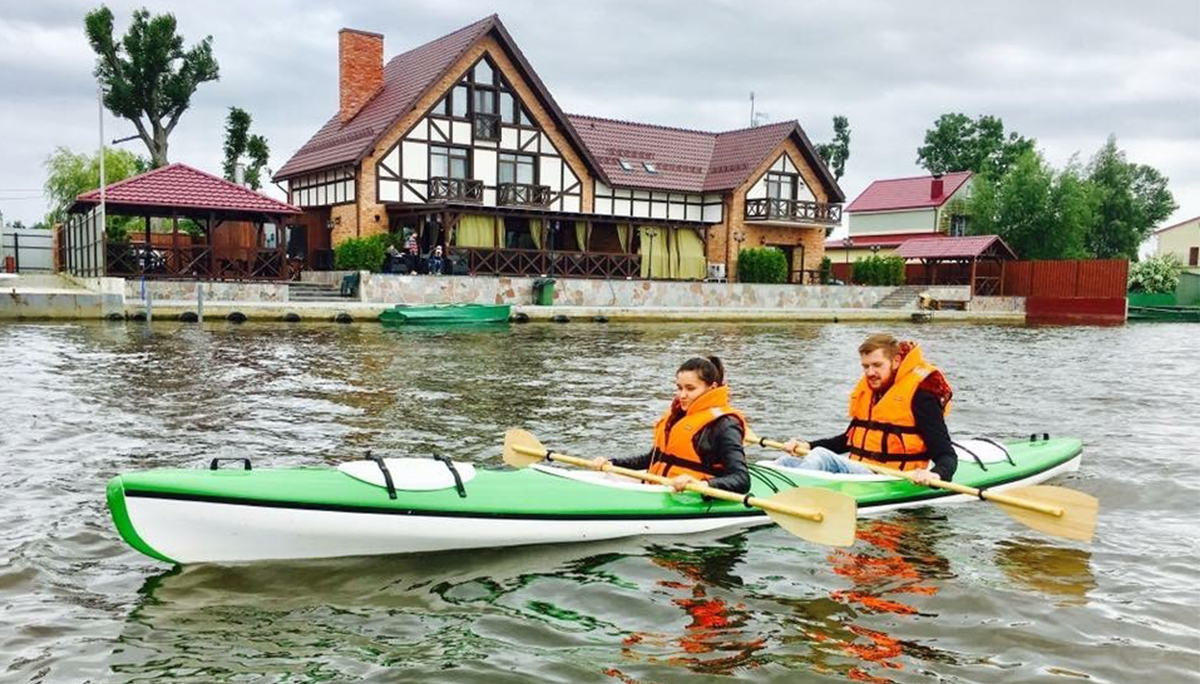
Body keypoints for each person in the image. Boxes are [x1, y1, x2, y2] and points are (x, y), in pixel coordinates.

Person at [776, 334, 955, 485]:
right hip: (860, 472)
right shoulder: (872, 391)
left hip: (890, 479)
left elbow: (946, 454)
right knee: (786, 461)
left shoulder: (922, 395)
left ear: (896, 361)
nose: (870, 373)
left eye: (877, 365)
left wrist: (935, 474)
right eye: (866, 366)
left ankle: (788, 491)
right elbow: (849, 440)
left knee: (822, 457)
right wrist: (808, 445)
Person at [592, 356, 750, 494]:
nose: (682, 395)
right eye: (679, 388)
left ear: (712, 388)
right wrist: (612, 462)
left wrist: (702, 484)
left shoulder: (725, 425)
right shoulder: (677, 417)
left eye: (690, 389)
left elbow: (741, 479)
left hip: (692, 496)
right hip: (662, 488)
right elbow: (654, 458)